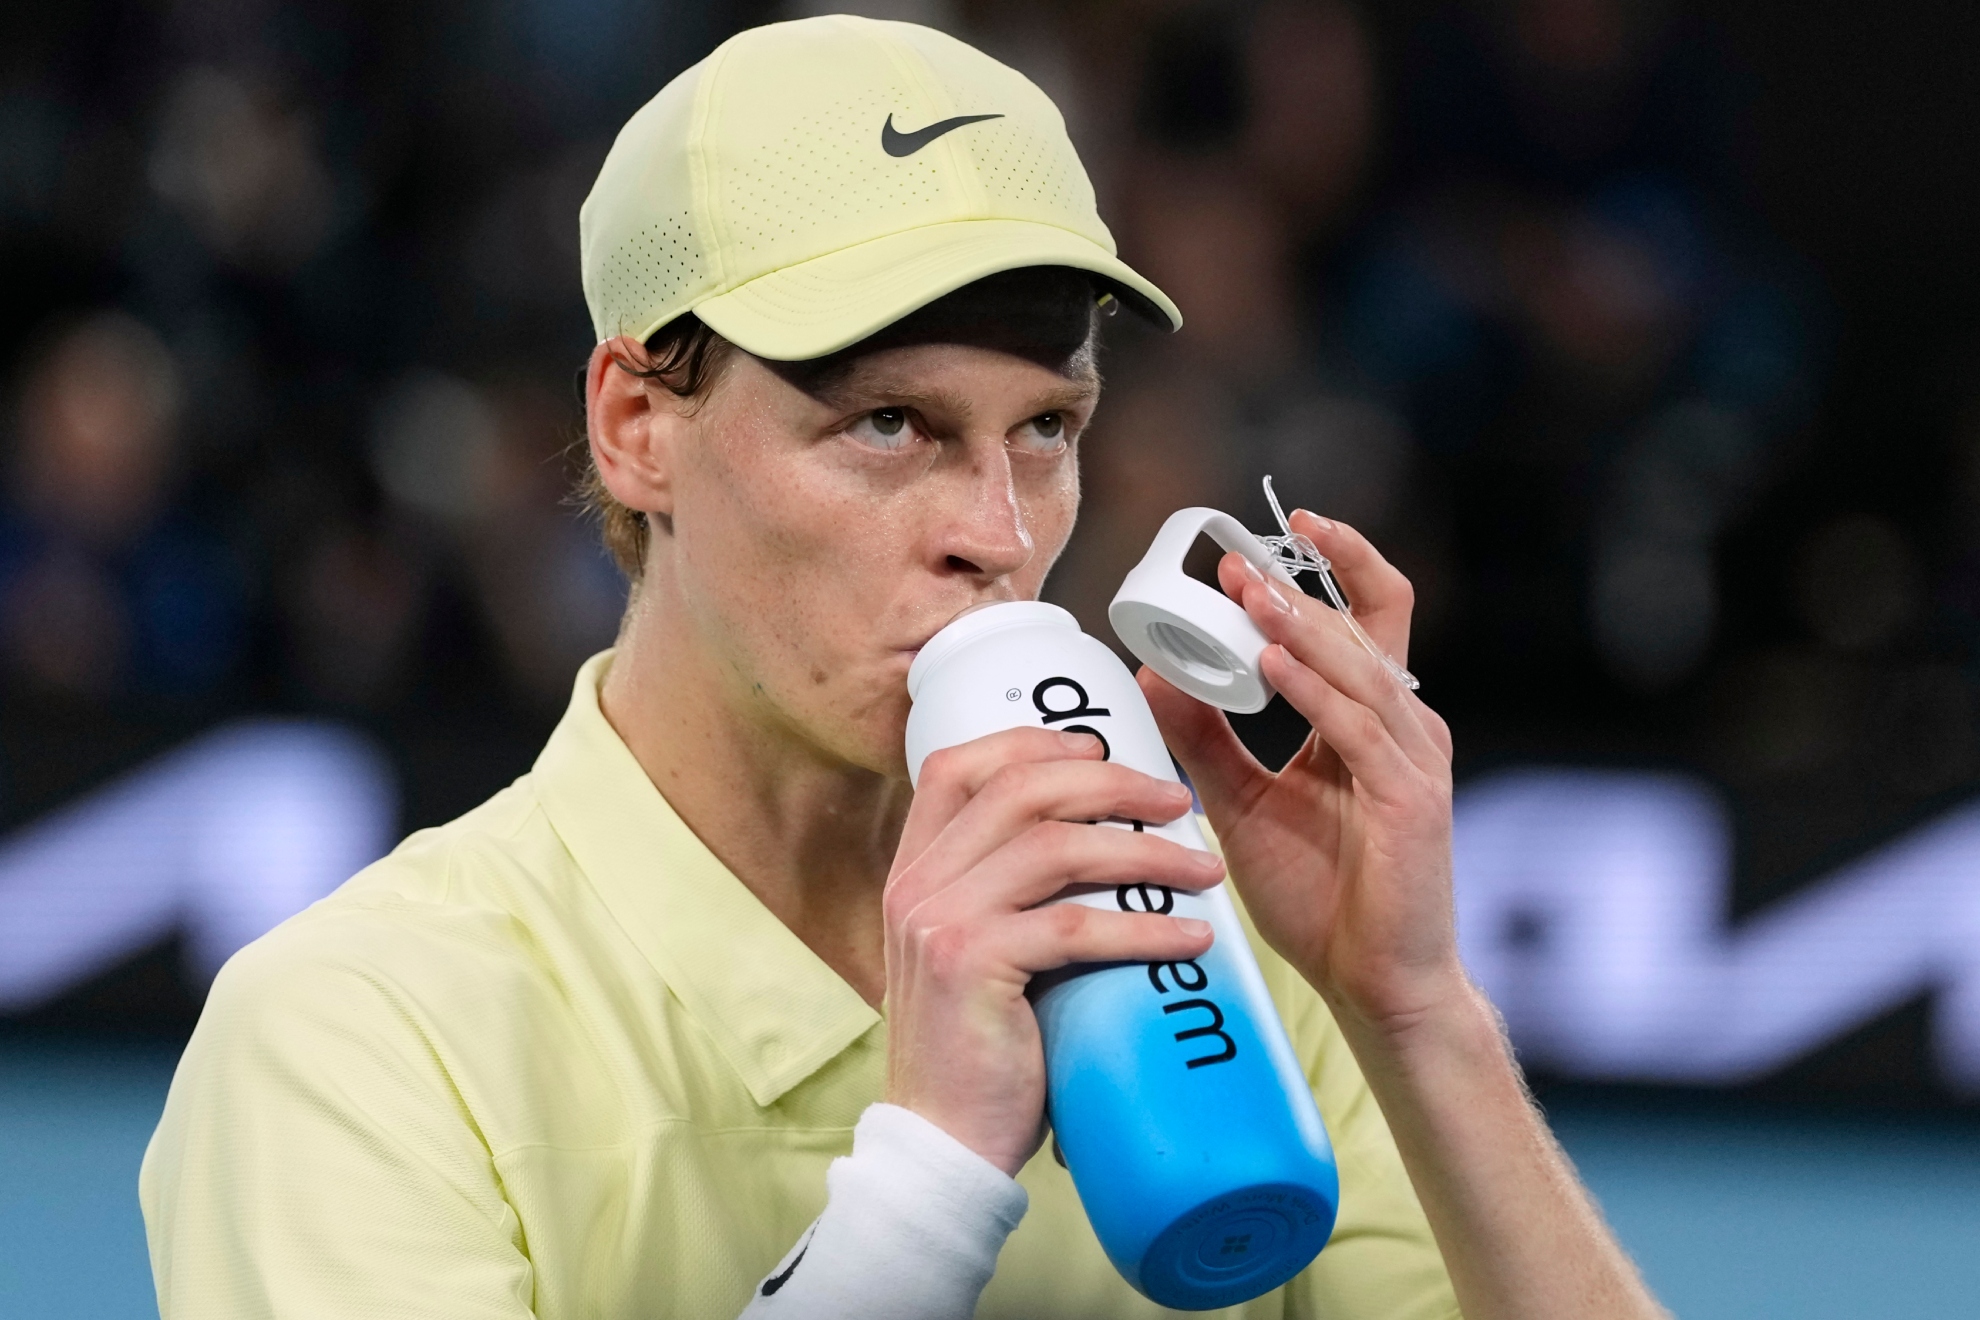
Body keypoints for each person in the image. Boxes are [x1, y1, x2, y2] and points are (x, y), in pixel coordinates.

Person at [141, 16, 1666, 1320]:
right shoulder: (354, 1037)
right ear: (636, 427)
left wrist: (1414, 1014)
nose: (997, 536)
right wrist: (927, 1179)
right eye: (888, 425)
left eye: (1047, 432)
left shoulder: (1225, 963)